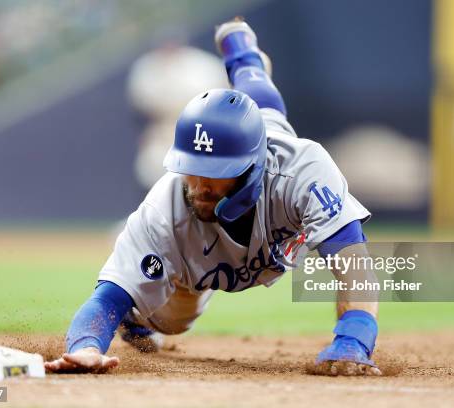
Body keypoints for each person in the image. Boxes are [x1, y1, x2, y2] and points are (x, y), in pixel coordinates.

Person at [45, 18, 381, 377]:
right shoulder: (165, 208)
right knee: (173, 323)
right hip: (196, 266)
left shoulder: (301, 170)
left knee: (264, 102)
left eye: (217, 173)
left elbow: (353, 260)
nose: (200, 185)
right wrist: (85, 346)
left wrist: (353, 340)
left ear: (252, 168)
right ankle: (136, 320)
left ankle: (243, 55)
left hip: (273, 178)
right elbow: (106, 297)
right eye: (192, 167)